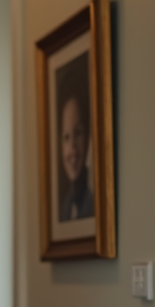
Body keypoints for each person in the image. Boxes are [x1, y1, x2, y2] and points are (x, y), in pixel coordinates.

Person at [57, 80, 94, 221]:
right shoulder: (64, 208)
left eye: (78, 133)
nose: (72, 147)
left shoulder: (92, 201)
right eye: (66, 137)